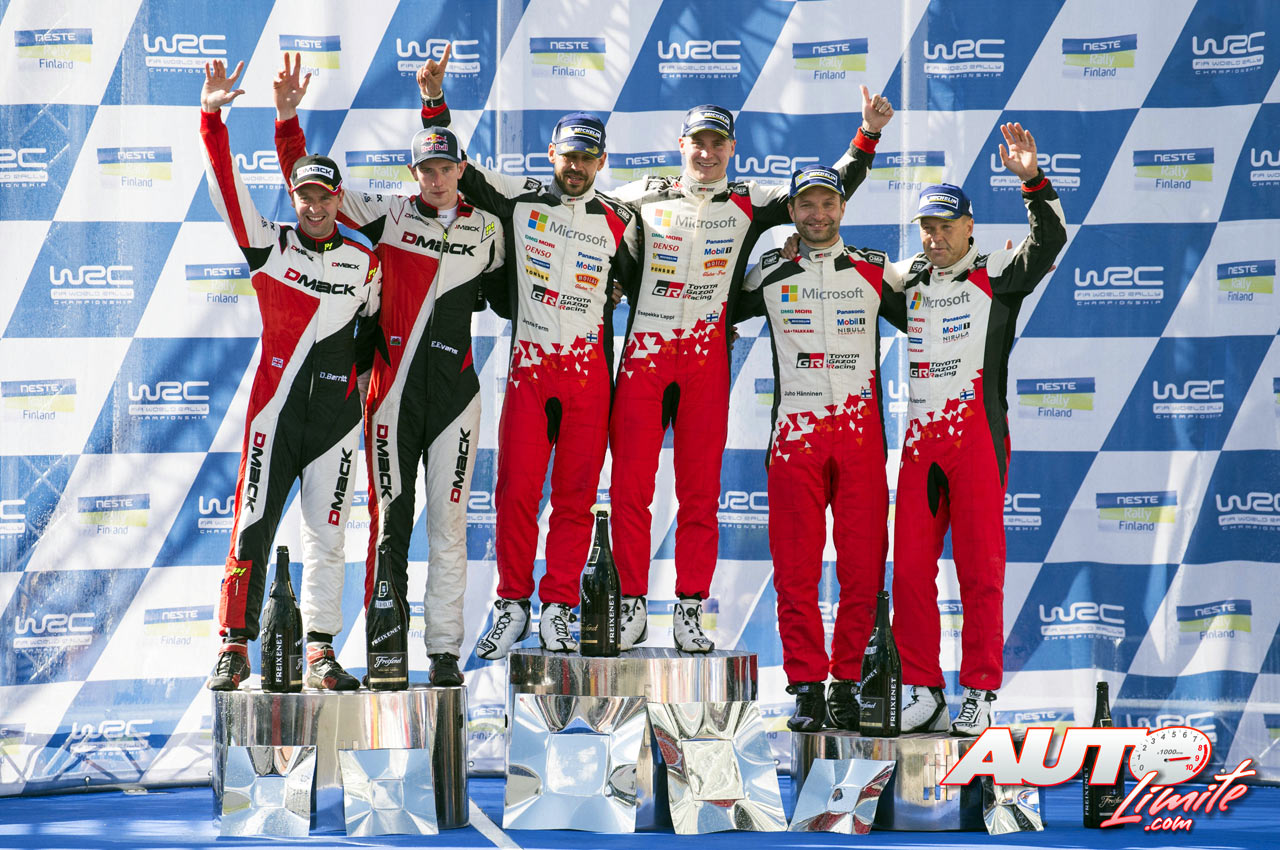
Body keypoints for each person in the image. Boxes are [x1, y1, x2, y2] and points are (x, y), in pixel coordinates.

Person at [607, 89, 893, 652]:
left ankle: (690, 607)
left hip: (705, 361)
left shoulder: (750, 199)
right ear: (681, 144)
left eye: (718, 144)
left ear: (732, 149)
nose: (707, 153)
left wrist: (867, 135)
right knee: (630, 489)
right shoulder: (641, 194)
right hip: (644, 358)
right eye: (698, 142)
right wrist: (610, 279)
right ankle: (631, 601)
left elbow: (823, 194)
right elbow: (577, 220)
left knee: (699, 494)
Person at [271, 55, 506, 687]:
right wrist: (288, 121)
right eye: (427, 169)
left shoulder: (488, 228)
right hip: (392, 398)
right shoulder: (388, 214)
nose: (437, 179)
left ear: (461, 170)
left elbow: (524, 287)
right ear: (414, 174)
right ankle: (386, 647)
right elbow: (310, 187)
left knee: (448, 526)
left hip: (456, 400)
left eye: (446, 168)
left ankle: (445, 653)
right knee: (388, 525)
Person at [416, 47, 639, 657]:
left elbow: (653, 286)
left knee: (575, 497)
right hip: (531, 372)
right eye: (569, 155)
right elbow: (460, 169)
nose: (577, 166)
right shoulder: (520, 196)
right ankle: (512, 603)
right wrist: (435, 102)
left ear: (601, 161)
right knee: (516, 492)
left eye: (587, 157)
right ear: (551, 154)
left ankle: (559, 606)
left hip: (589, 377)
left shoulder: (621, 218)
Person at [200, 59, 380, 691]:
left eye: (324, 196)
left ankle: (321, 651)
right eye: (304, 195)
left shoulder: (364, 261)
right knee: (251, 525)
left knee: (327, 538)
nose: (314, 205)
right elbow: (227, 188)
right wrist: (212, 119)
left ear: (338, 200)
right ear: (294, 197)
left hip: (335, 423)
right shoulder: (269, 246)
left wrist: (358, 388)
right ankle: (234, 645)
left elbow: (375, 335)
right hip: (273, 417)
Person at [888, 123, 1067, 735]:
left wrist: (1032, 180)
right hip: (920, 447)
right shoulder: (910, 279)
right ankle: (923, 688)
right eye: (927, 227)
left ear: (969, 227)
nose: (936, 237)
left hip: (977, 442)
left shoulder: (999, 273)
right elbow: (847, 283)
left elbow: (1050, 240)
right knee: (909, 572)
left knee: (979, 572)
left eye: (946, 226)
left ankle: (982, 692)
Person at [737, 165, 904, 731]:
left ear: (842, 208)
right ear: (791, 212)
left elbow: (936, 309)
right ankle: (807, 687)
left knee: (863, 572)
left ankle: (848, 682)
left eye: (827, 203)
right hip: (795, 440)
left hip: (860, 440)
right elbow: (710, 302)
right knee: (796, 572)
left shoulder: (875, 269)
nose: (818, 214)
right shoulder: (771, 269)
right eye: (806, 204)